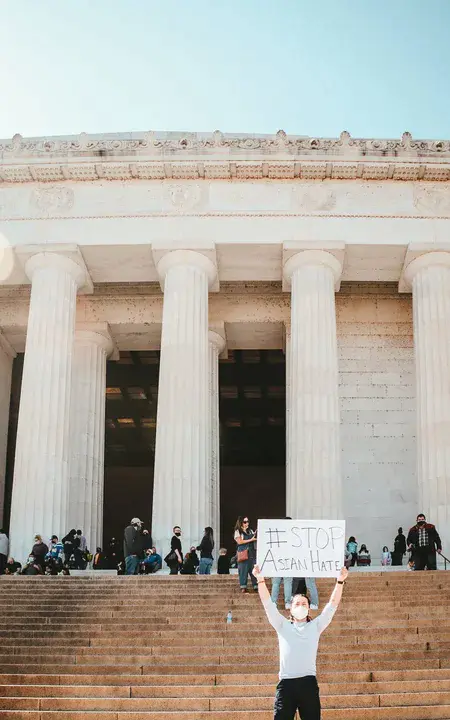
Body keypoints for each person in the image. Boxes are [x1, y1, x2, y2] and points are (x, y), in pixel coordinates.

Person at [253, 563, 348, 720]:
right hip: (286, 685)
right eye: (297, 603)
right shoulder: (281, 624)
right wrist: (260, 580)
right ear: (290, 608)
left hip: (308, 684)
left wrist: (340, 581)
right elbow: (267, 604)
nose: (301, 605)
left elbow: (332, 605)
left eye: (304, 603)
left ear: (309, 608)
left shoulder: (316, 626)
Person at [234, 516, 258, 593]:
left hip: (251, 553)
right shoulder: (238, 531)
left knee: (253, 570)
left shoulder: (250, 531)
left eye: (247, 521)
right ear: (241, 522)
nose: (247, 523)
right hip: (242, 553)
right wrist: (251, 539)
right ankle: (243, 586)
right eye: (245, 522)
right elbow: (239, 542)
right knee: (243, 570)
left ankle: (256, 586)